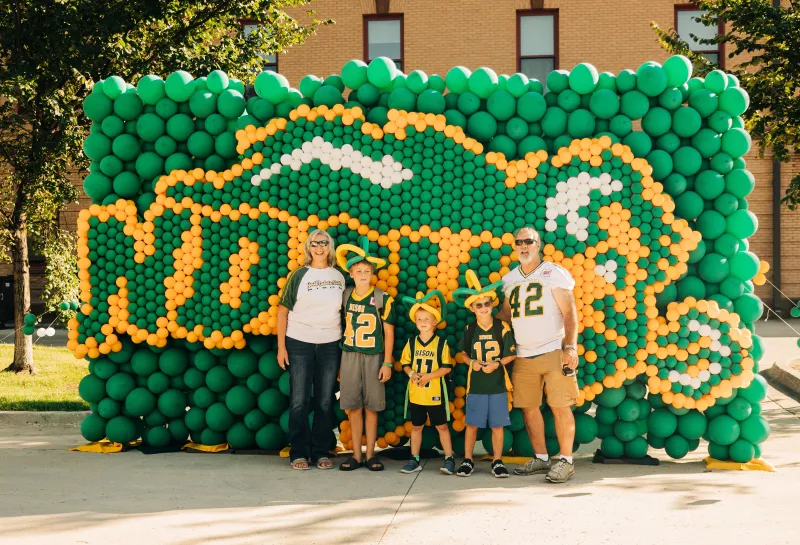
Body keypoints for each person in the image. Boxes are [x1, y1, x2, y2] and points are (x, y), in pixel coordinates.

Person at [496, 226, 580, 483]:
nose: (523, 246)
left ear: (538, 244)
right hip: (523, 354)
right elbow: (505, 316)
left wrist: (571, 347)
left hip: (554, 348)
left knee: (560, 406)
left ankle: (566, 461)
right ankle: (542, 459)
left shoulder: (554, 273)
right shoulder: (509, 279)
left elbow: (570, 312)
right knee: (529, 409)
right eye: (518, 242)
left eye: (528, 241)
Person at [277, 229, 345, 470]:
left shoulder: (339, 276)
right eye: (315, 243)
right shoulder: (299, 275)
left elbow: (345, 313)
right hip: (299, 342)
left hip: (329, 344)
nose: (319, 247)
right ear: (308, 247)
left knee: (325, 401)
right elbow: (283, 311)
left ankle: (320, 452)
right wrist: (281, 348)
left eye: (324, 243)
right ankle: (298, 453)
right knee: (299, 401)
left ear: (330, 247)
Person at [334, 236, 397, 472]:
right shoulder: (345, 295)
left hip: (374, 357)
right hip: (349, 355)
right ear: (350, 273)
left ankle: (371, 453)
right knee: (353, 406)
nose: (362, 274)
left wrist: (387, 363)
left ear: (372, 273)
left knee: (372, 407)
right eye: (358, 270)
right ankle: (357, 455)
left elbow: (388, 333)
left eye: (366, 270)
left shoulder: (383, 298)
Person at [452, 271, 516, 478]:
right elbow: (462, 354)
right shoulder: (470, 329)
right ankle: (468, 460)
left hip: (497, 385)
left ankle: (497, 461)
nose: (483, 308)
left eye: (487, 304)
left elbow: (511, 355)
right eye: (478, 305)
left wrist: (496, 364)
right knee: (472, 425)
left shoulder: (502, 328)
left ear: (492, 305)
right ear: (472, 308)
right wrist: (472, 363)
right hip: (476, 385)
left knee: (497, 426)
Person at [398, 290, 455, 475]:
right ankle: (414, 458)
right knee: (416, 426)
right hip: (417, 393)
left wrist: (429, 376)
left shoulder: (441, 343)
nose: (423, 322)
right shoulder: (411, 342)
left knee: (442, 426)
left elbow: (446, 367)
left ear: (434, 322)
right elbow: (405, 363)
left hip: (435, 392)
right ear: (415, 322)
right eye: (419, 319)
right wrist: (412, 373)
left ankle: (449, 458)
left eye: (426, 319)